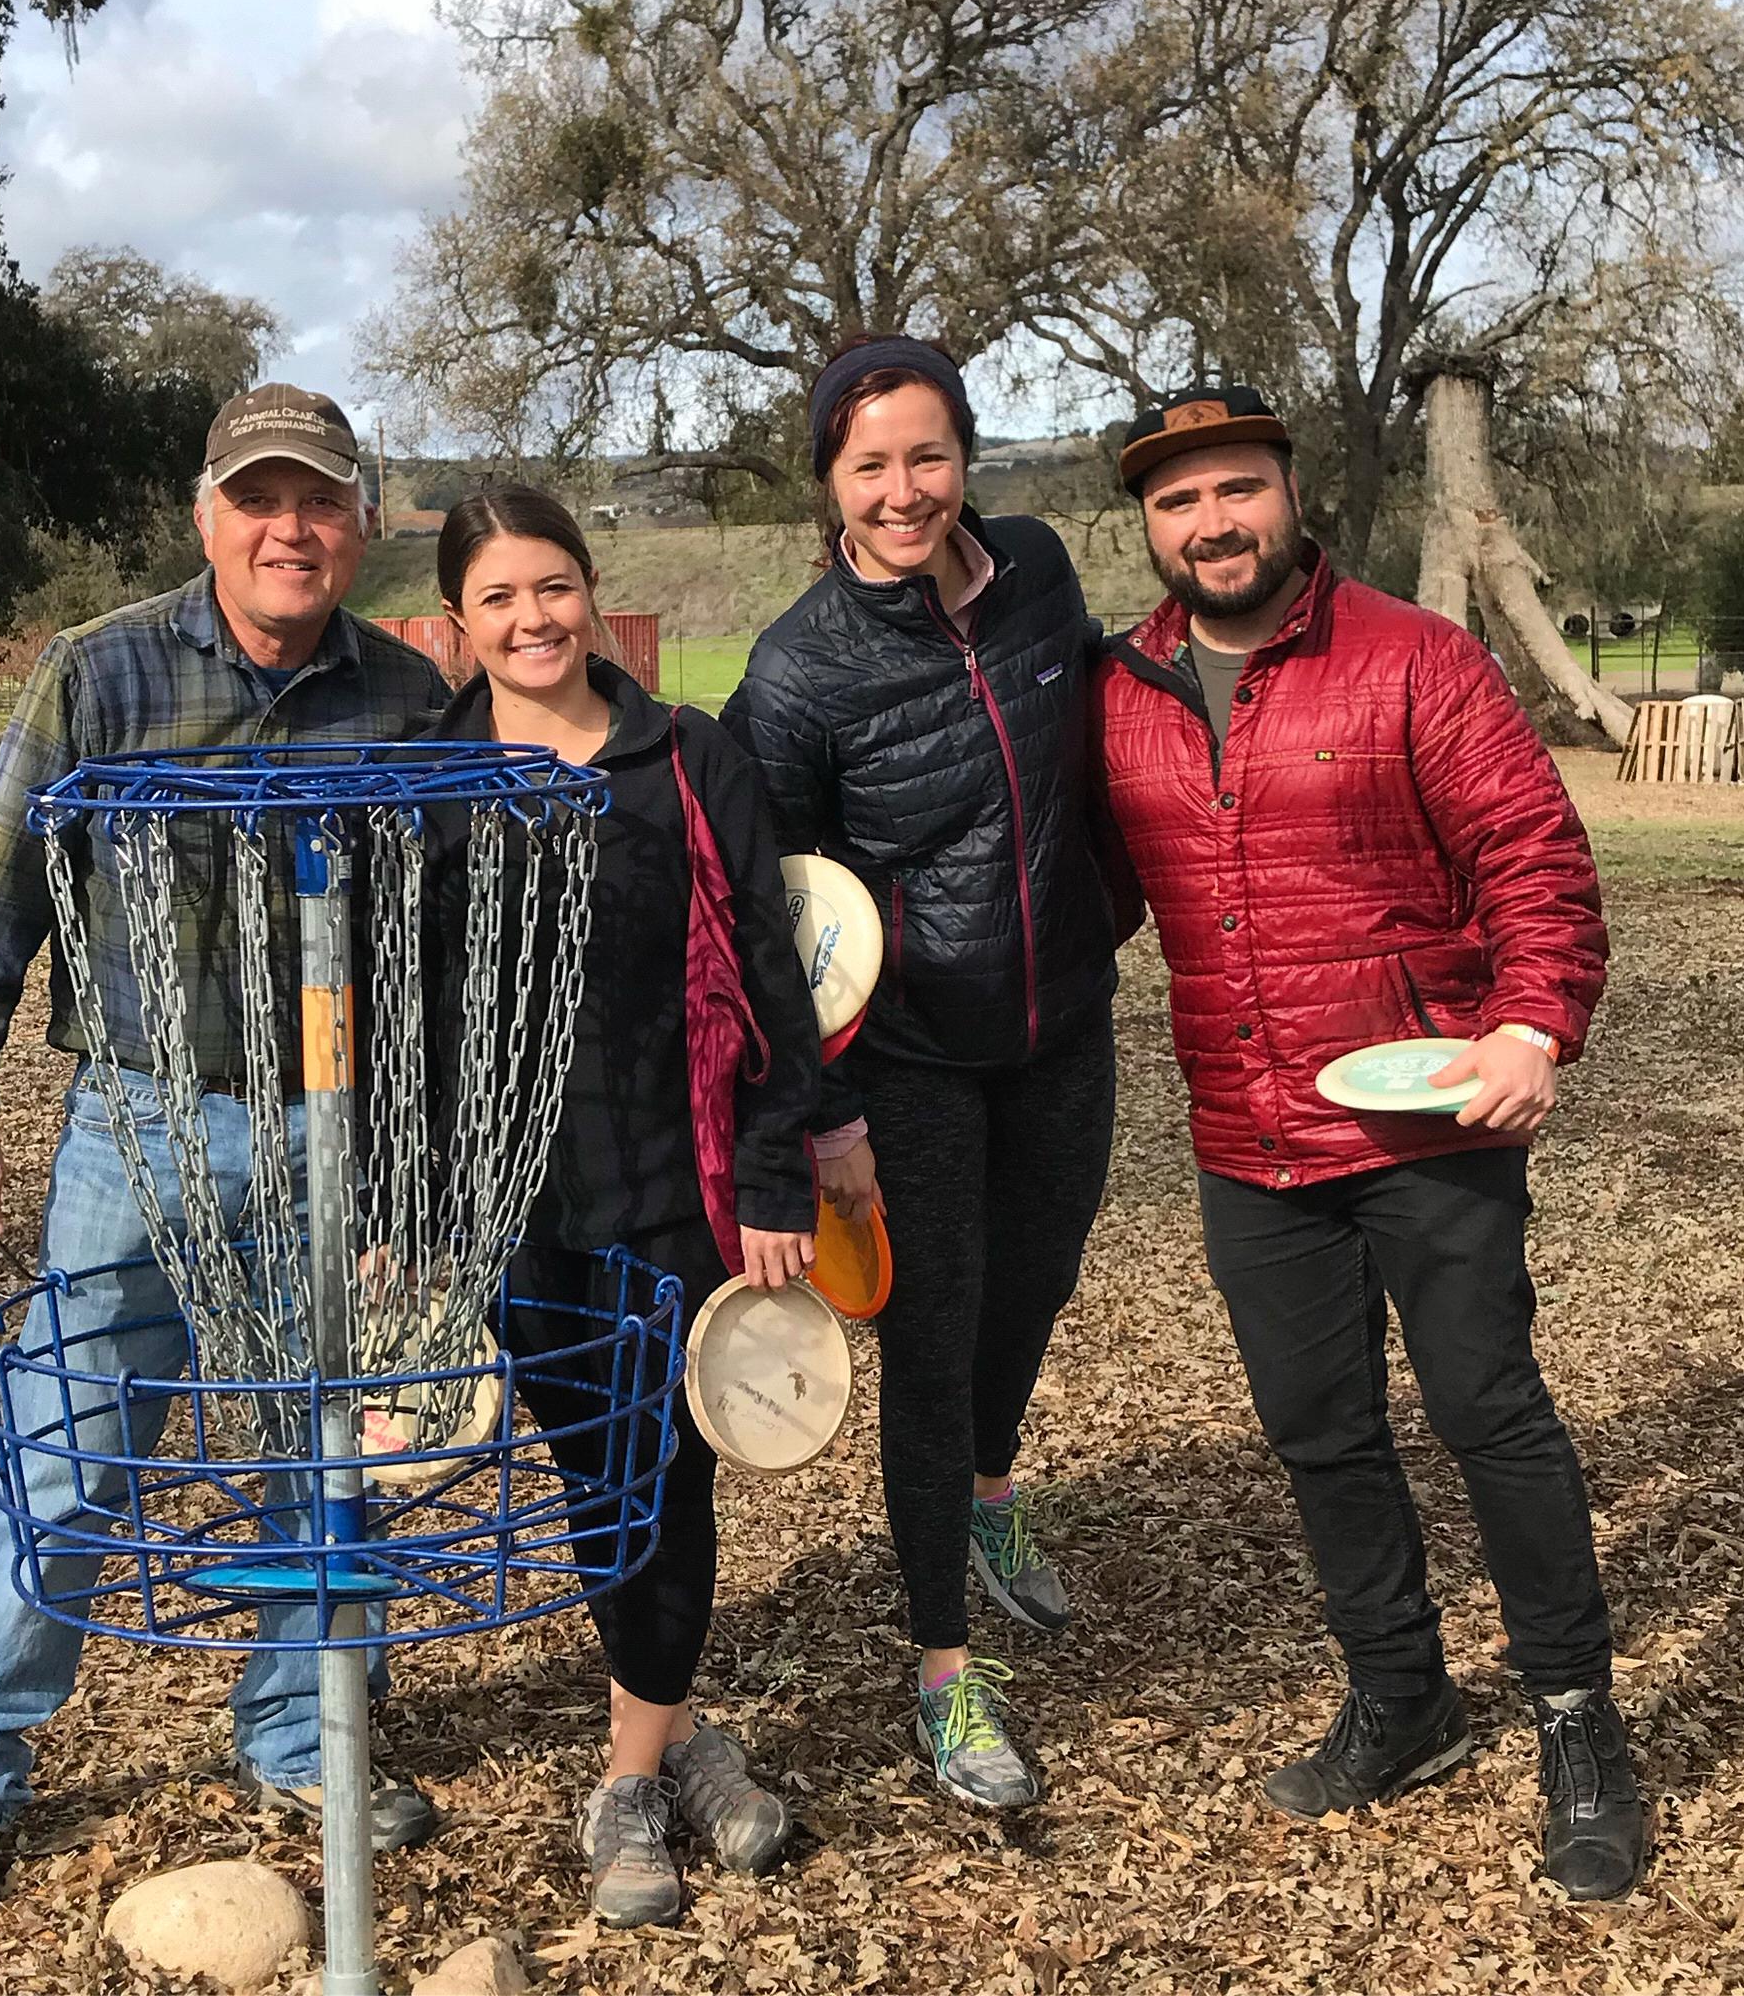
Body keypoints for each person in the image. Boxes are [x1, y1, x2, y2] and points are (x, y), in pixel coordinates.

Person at [0, 385, 452, 1923]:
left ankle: (295, 1734)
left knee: (326, 1451)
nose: (292, 529)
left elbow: (433, 965)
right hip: (141, 1120)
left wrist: (405, 1171)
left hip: (335, 1135)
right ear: (205, 514)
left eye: (321, 501)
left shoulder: (403, 698)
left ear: (359, 522)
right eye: (260, 498)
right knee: (70, 1455)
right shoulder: (104, 673)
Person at [1094, 382, 1644, 1899]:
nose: (1211, 524)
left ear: (1290, 492)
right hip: (1248, 1137)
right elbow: (1079, 893)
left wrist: (1531, 1025)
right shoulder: (1120, 691)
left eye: (1235, 490)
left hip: (1422, 1119)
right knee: (1322, 1437)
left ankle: (1577, 1717)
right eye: (1178, 500)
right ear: (1149, 525)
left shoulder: (1415, 658)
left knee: (1490, 1414)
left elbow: (1536, 858)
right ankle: (1404, 1700)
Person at [721, 337, 1121, 1810]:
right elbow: (779, 920)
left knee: (1045, 1280)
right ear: (829, 479)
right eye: (870, 465)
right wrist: (823, 1115)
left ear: (968, 458)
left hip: (1063, 1016)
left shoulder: (1037, 571)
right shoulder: (798, 669)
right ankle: (946, 1673)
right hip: (911, 1059)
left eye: (928, 456)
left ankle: (992, 1498)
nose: (905, 492)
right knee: (935, 1347)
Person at [425, 487, 821, 1928]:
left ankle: (626, 1787)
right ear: (457, 625)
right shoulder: (432, 772)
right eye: (500, 600)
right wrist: (404, 1205)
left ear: (592, 592)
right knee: (598, 1477)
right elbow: (399, 1005)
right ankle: (675, 1731)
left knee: (666, 1474)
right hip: (512, 1198)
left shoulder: (687, 753)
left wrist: (777, 1170)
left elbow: (770, 974)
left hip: (680, 1179)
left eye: (554, 588)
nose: (534, 620)